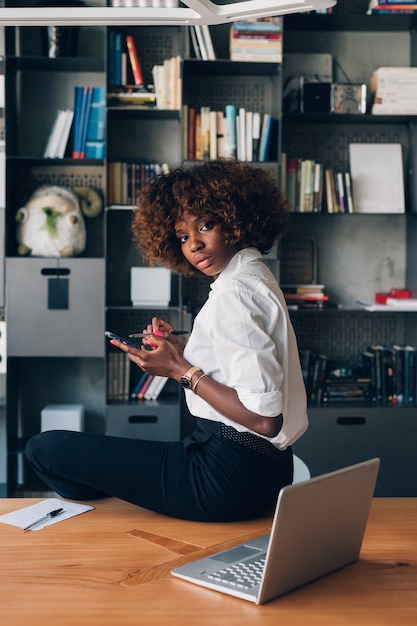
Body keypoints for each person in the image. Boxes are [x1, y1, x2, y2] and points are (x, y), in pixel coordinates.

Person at [25, 159, 308, 522]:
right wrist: (179, 351)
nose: (195, 245)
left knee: (44, 448)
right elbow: (239, 366)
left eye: (206, 225)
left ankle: (100, 525)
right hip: (262, 470)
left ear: (236, 218)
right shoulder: (254, 275)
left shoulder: (233, 294)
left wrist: (180, 370)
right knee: (77, 457)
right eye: (184, 236)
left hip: (226, 478)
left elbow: (265, 419)